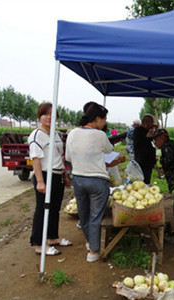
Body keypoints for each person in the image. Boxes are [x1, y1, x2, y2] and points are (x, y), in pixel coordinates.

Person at [65, 101, 113, 262]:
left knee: (83, 215)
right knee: (95, 216)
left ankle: (89, 242)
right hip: (97, 181)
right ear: (98, 119)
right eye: (104, 119)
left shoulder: (72, 133)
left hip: (78, 179)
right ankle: (93, 251)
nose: (105, 123)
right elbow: (109, 149)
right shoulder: (99, 135)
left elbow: (68, 158)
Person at [28, 103, 72, 256]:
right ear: (39, 117)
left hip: (57, 175)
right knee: (42, 210)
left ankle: (53, 237)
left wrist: (65, 175)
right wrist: (40, 181)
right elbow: (35, 159)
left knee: (55, 209)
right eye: (45, 114)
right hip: (45, 176)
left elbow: (59, 156)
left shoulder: (55, 133)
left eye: (52, 114)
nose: (48, 117)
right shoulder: (36, 135)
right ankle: (40, 244)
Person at [133, 114, 157, 184]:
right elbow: (149, 136)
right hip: (142, 161)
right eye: (151, 123)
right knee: (141, 181)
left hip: (148, 162)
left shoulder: (147, 130)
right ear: (146, 123)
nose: (152, 125)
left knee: (147, 180)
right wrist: (152, 130)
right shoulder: (139, 130)